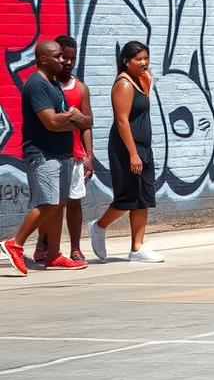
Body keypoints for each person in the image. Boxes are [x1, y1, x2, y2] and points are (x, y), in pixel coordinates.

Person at [1, 40, 91, 275]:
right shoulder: (37, 85)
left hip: (61, 154)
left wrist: (71, 120)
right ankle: (15, 244)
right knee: (48, 203)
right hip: (43, 154)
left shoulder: (53, 83)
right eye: (58, 56)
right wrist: (72, 116)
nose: (64, 60)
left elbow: (82, 122)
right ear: (43, 60)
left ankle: (53, 255)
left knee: (58, 203)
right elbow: (50, 122)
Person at [89, 41, 163, 263]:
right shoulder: (123, 84)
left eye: (145, 58)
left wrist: (148, 82)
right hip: (126, 148)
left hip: (143, 146)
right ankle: (99, 226)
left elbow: (142, 111)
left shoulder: (141, 81)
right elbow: (122, 121)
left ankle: (137, 248)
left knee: (143, 198)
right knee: (128, 197)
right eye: (138, 59)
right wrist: (132, 153)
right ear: (125, 61)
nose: (143, 62)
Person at [33, 35, 94, 264]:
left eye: (72, 58)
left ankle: (76, 248)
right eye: (63, 57)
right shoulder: (47, 85)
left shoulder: (80, 88)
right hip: (50, 154)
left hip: (75, 154)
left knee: (74, 201)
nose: (67, 62)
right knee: (49, 202)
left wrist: (89, 155)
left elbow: (88, 123)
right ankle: (44, 242)